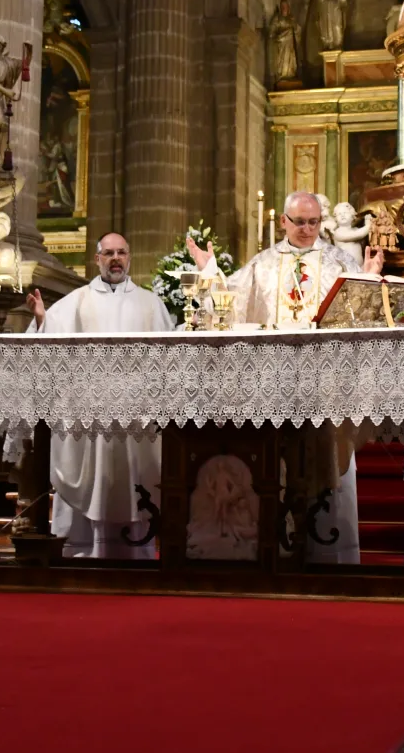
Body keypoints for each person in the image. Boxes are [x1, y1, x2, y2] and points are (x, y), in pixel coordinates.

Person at [189, 191, 384, 563]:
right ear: (283, 221)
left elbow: (359, 315)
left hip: (324, 386)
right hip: (272, 385)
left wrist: (369, 280)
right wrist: (209, 271)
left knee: (325, 464)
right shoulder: (261, 265)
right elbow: (227, 304)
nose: (308, 230)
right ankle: (276, 546)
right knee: (276, 466)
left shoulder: (341, 261)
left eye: (314, 222)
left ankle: (330, 554)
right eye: (300, 222)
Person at [22, 233, 173, 558]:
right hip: (89, 414)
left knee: (135, 481)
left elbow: (169, 356)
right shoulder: (77, 300)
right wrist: (40, 319)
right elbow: (50, 337)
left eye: (121, 253)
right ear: (97, 259)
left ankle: (138, 552)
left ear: (129, 257)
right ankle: (83, 550)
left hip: (136, 416)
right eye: (108, 253)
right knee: (93, 475)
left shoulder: (150, 302)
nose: (115, 259)